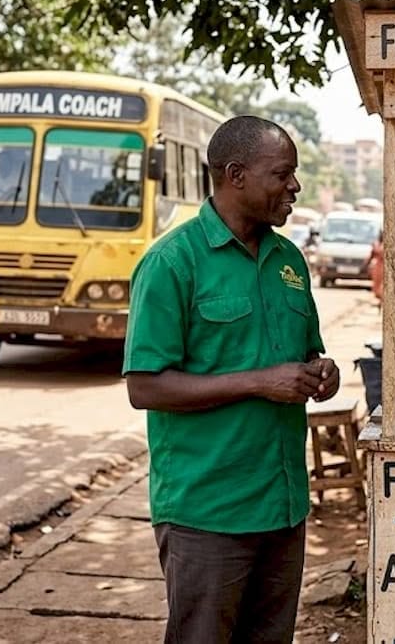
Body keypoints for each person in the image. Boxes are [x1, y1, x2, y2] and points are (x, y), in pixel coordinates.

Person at [123, 116, 340, 643]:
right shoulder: (173, 263)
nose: (295, 187)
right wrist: (259, 382)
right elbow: (144, 386)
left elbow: (304, 352)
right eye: (282, 174)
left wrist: (320, 374)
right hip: (208, 512)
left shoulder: (289, 259)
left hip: (283, 504)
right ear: (236, 175)